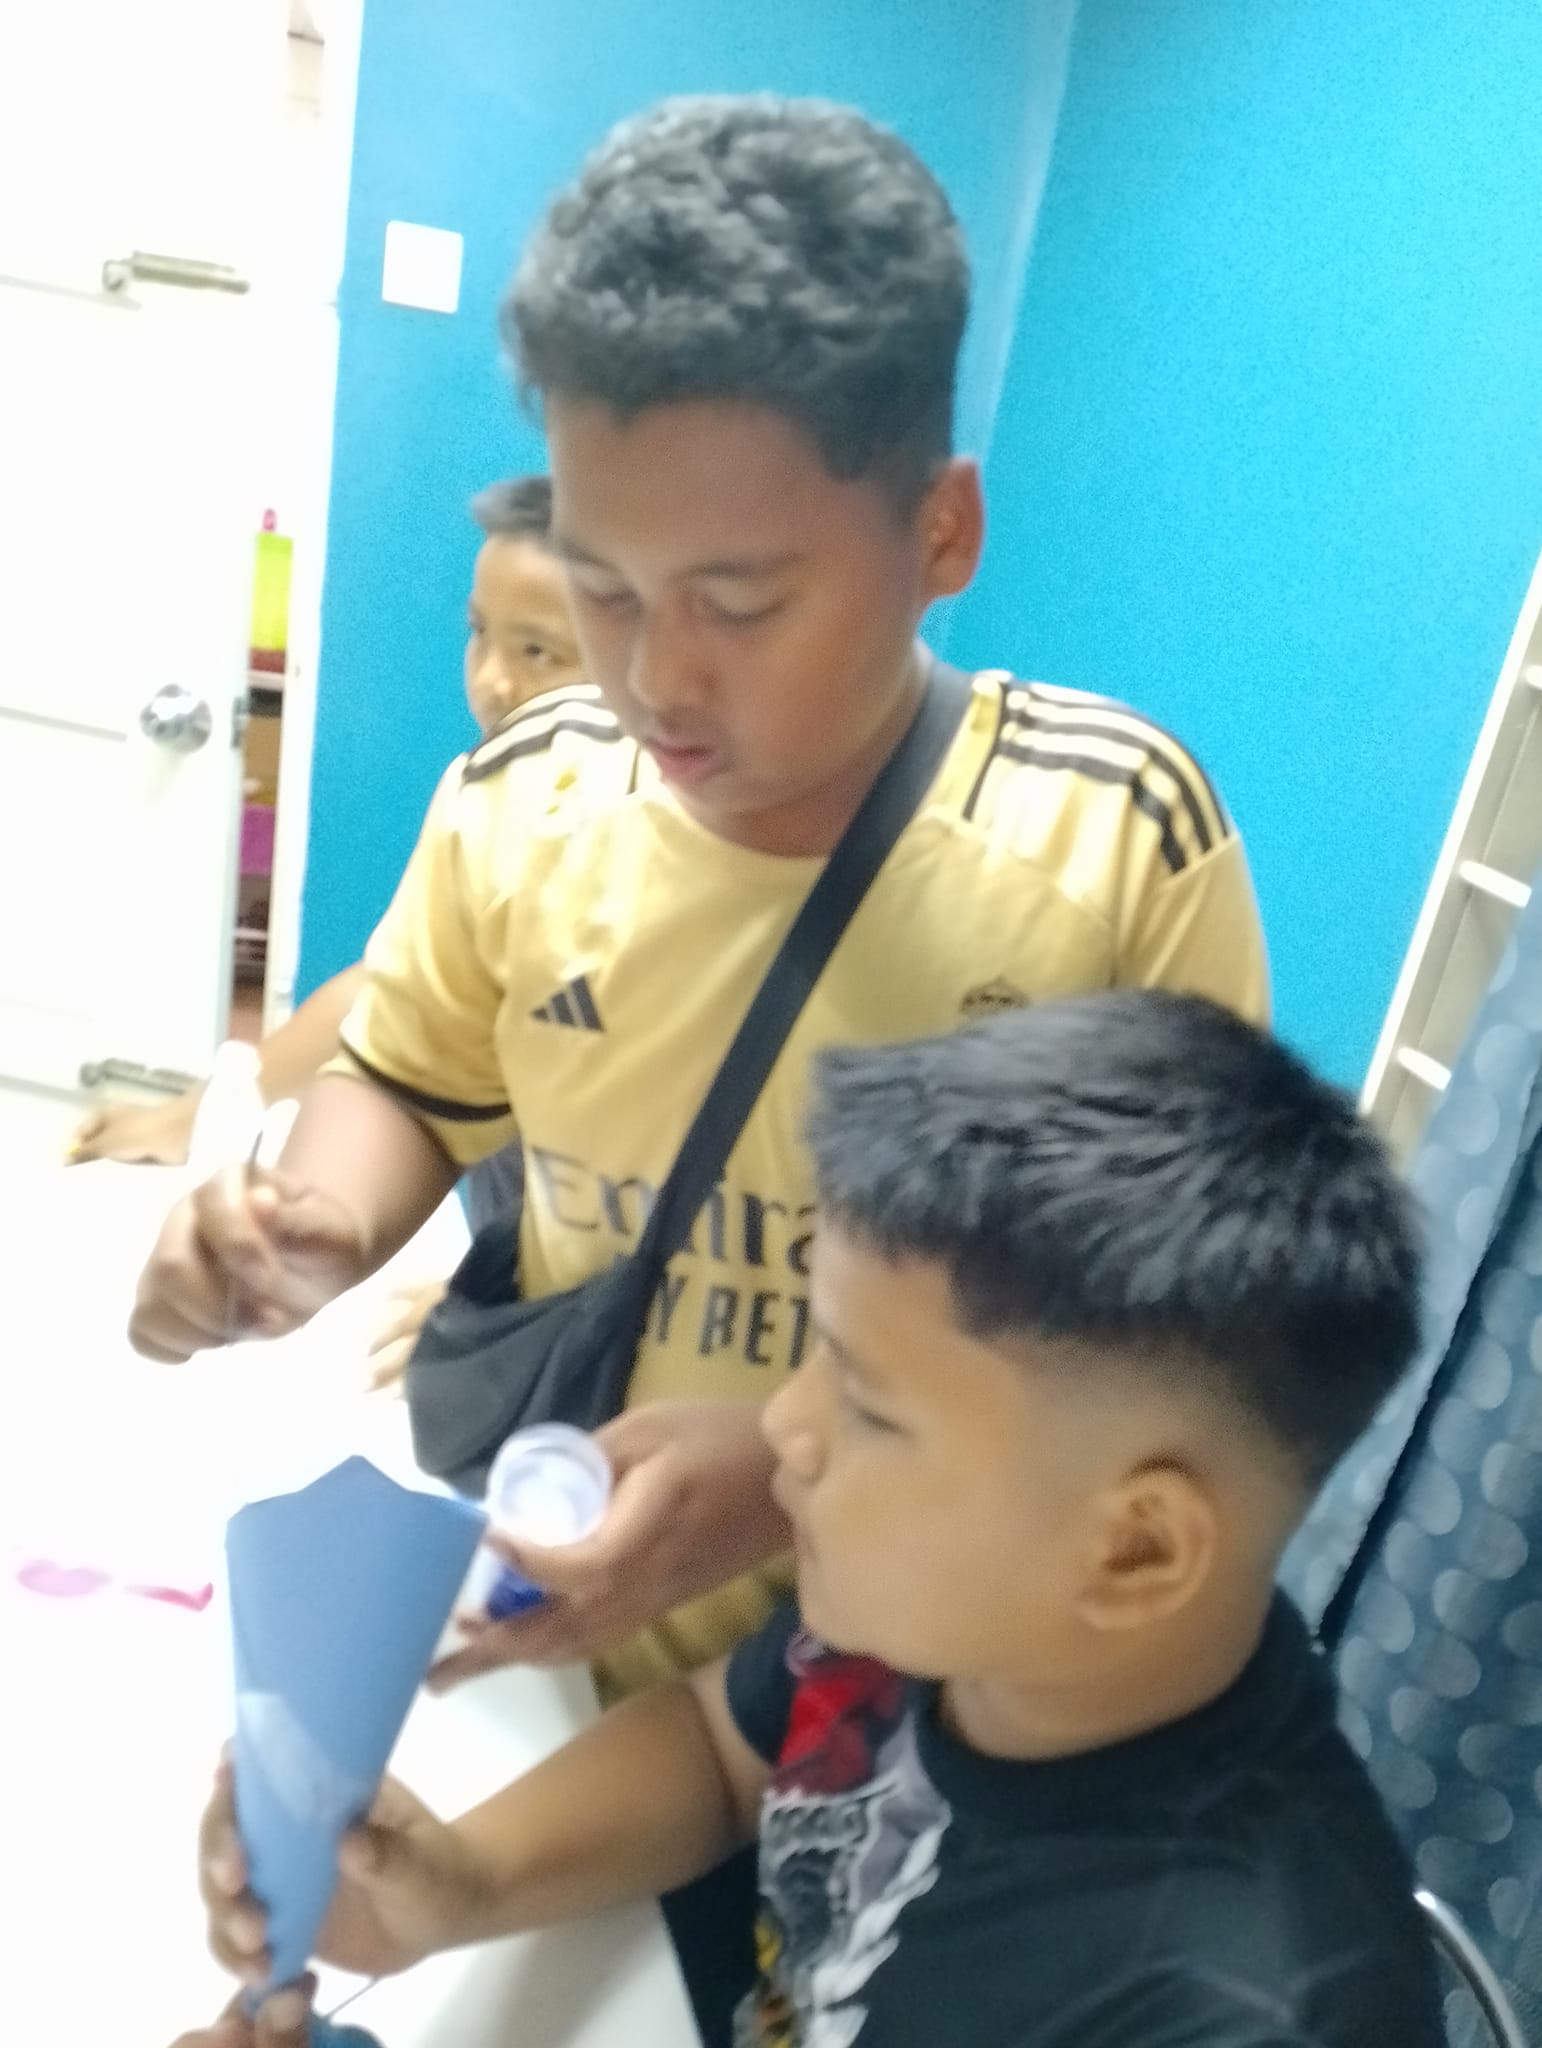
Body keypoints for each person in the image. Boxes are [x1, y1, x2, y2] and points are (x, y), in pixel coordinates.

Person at [128, 94, 1270, 1698]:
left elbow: (1176, 1338)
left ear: (940, 531)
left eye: (739, 603)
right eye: (602, 590)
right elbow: (410, 1079)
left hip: (908, 1703)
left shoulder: (1109, 847)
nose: (655, 679)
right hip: (545, 1645)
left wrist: (782, 1475)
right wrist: (311, 1226)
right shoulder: (524, 801)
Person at [184, 993, 1444, 2048]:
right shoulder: (952, 1616)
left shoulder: (1249, 2010)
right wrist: (457, 1886)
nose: (782, 1424)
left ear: (1136, 1547)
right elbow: (725, 1749)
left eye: (868, 1401)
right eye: (813, 1347)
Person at [68, 474, 580, 1185]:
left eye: (538, 653)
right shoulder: (488, 796)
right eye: (479, 634)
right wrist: (196, 1118)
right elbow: (392, 990)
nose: (491, 681)